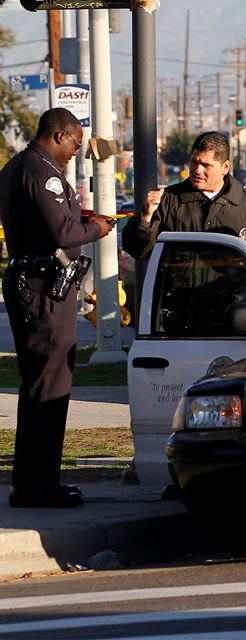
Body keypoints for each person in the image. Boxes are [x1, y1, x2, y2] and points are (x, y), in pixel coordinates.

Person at [0, 108, 115, 508]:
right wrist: (97, 229)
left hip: (32, 281)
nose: (75, 154)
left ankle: (34, 481)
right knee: (50, 386)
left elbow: (49, 221)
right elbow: (64, 233)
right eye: (75, 145)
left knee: (40, 385)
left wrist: (83, 217)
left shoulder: (19, 165)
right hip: (42, 287)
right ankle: (37, 486)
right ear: (60, 135)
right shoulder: (42, 170)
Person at [123, 131, 246, 280]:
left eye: (206, 165)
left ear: (225, 167)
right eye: (194, 162)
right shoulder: (168, 200)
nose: (197, 170)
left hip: (235, 308)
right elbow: (138, 250)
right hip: (179, 306)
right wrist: (146, 217)